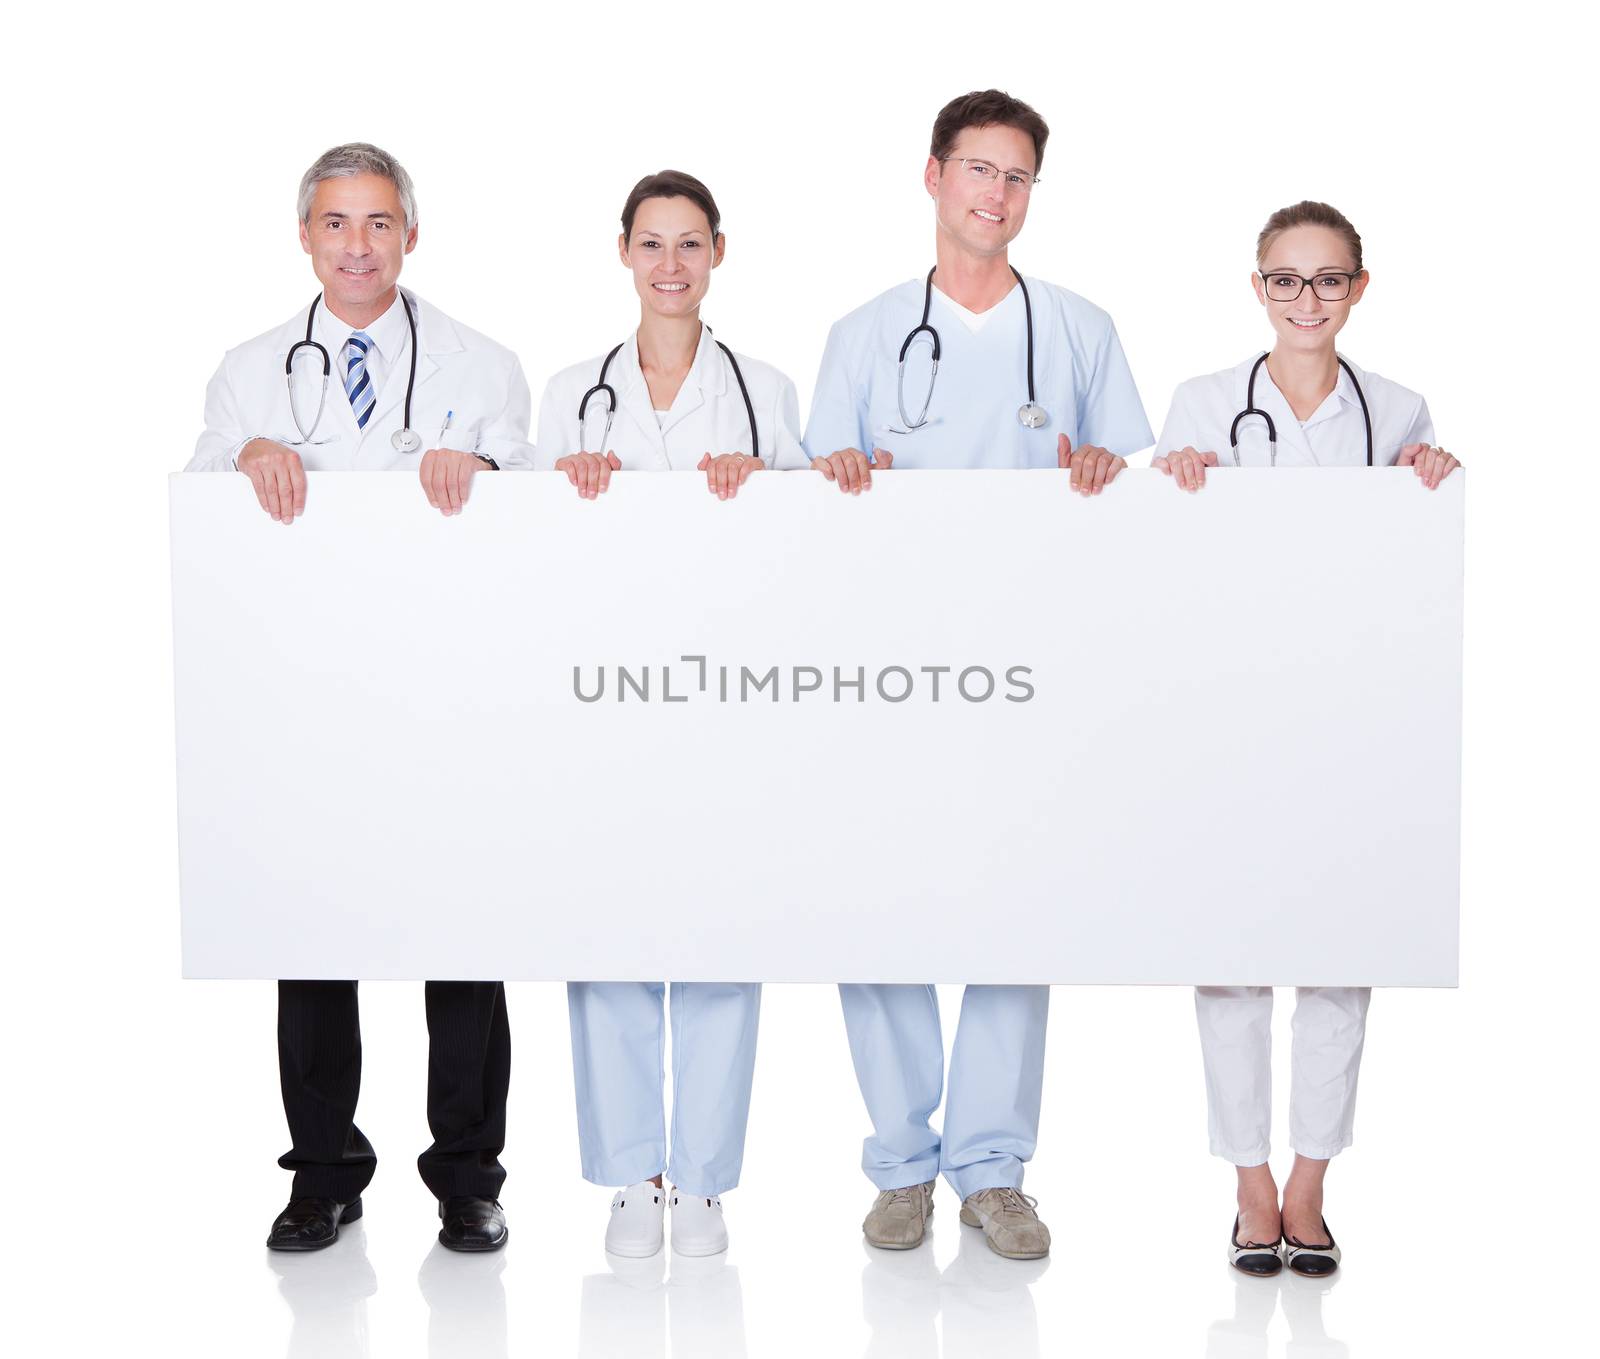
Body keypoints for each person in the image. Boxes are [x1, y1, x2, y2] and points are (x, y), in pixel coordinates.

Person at [803, 91, 1152, 1259]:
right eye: (976, 169)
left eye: (1016, 177)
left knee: (1018, 909)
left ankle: (993, 1170)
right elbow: (808, 507)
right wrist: (838, 468)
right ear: (933, 177)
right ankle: (902, 1163)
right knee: (881, 909)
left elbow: (1135, 504)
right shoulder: (861, 335)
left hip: (1031, 671)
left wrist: (1105, 467)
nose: (994, 194)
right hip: (883, 670)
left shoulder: (1079, 330)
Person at [187, 142, 535, 1253]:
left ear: (410, 236)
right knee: (312, 929)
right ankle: (324, 1171)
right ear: (304, 238)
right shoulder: (247, 373)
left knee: (463, 937)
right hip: (311, 704)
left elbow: (540, 511)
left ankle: (468, 1175)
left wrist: (482, 476)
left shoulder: (481, 365)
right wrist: (242, 457)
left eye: (378, 223)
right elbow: (198, 507)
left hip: (452, 695)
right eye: (335, 224)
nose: (357, 246)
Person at [1151, 199, 1460, 1276]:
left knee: (1338, 958)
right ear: (1257, 289)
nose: (1306, 300)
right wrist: (1170, 491)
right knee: (1232, 961)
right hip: (1229, 725)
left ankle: (1309, 1183)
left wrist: (1432, 482)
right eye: (1285, 279)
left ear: (1358, 289)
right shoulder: (1197, 407)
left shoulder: (1399, 412)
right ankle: (1245, 1182)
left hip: (1351, 727)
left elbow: (1415, 567)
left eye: (1327, 280)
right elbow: (1162, 569)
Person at [536, 170, 805, 1259]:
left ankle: (699, 1180)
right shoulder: (569, 395)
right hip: (598, 699)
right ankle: (629, 1174)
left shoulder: (766, 391)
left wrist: (761, 486)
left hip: (725, 700)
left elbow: (811, 553)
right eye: (652, 244)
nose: (670, 266)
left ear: (719, 254)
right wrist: (569, 481)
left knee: (717, 930)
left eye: (689, 244)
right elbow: (523, 548)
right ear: (622, 253)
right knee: (605, 931)